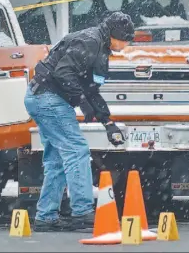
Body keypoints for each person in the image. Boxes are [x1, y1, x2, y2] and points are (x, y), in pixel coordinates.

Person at [24, 12, 134, 231]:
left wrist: (107, 122)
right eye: (126, 39)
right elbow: (63, 72)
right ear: (115, 35)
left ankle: (46, 216)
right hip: (48, 98)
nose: (127, 44)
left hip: (41, 97)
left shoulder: (100, 47)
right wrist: (81, 100)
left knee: (57, 158)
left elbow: (92, 89)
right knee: (77, 150)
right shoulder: (90, 42)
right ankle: (83, 213)